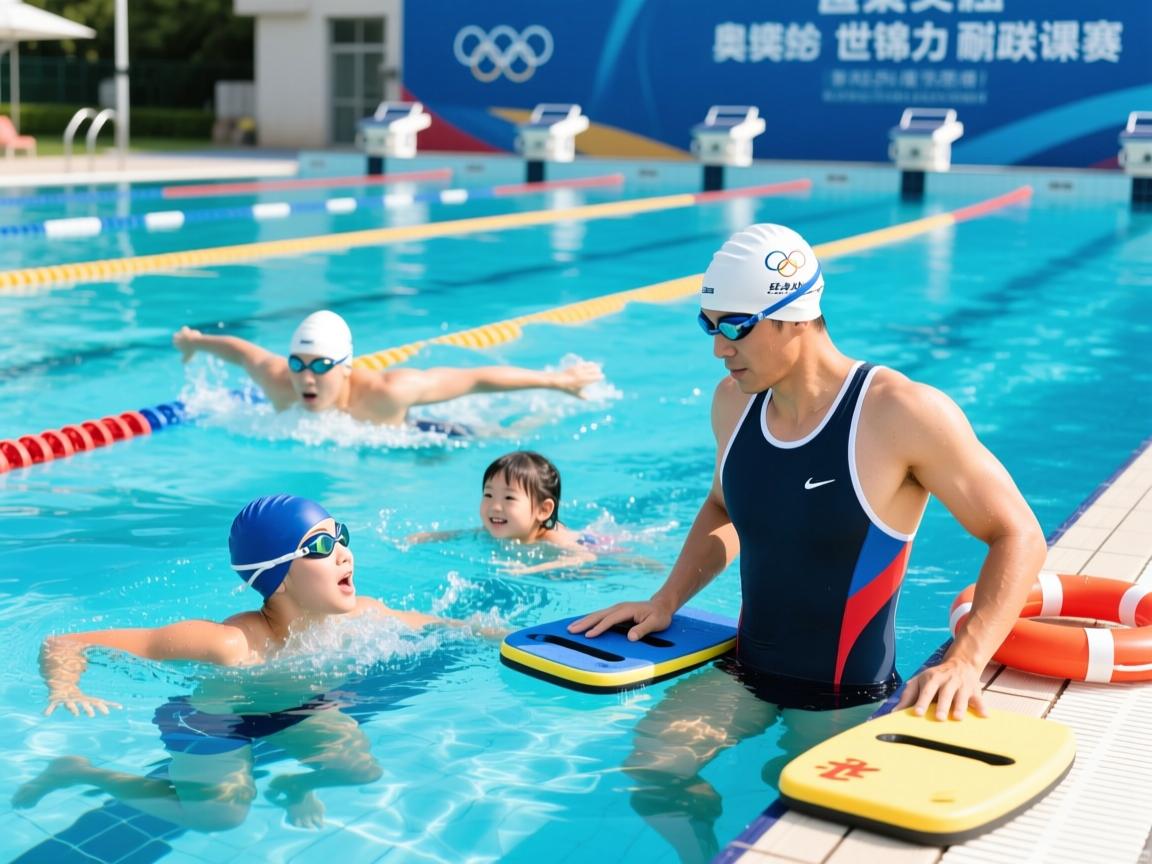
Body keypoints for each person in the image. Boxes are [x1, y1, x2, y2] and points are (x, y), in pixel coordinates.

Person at [567, 223, 1047, 863]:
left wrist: (966, 659)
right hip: (745, 673)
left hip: (848, 698)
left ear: (792, 316)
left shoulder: (898, 412)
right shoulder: (734, 403)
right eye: (708, 325)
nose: (719, 348)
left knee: (799, 825)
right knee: (651, 774)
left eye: (735, 326)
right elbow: (723, 505)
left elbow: (1017, 534)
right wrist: (667, 599)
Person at [12, 494, 473, 831]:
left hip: (295, 708)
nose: (344, 553)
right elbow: (66, 641)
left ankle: (293, 786)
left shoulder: (356, 619)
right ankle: (80, 771)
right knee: (219, 816)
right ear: (278, 577)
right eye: (320, 547)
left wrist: (496, 634)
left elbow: (444, 625)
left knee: (359, 770)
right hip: (213, 720)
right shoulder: (229, 645)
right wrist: (64, 687)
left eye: (341, 537)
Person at [172, 310, 604, 428]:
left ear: (345, 367)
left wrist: (556, 380)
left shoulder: (387, 392)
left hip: (421, 437)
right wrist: (194, 342)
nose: (306, 377)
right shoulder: (278, 381)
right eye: (298, 364)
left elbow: (473, 380)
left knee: (498, 435)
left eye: (320, 366)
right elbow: (241, 351)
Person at [410, 450, 598, 575]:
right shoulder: (493, 527)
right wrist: (430, 537)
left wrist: (529, 570)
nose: (495, 506)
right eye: (488, 495)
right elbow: (466, 535)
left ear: (543, 510)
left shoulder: (554, 538)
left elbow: (586, 557)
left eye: (509, 498)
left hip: (595, 545)